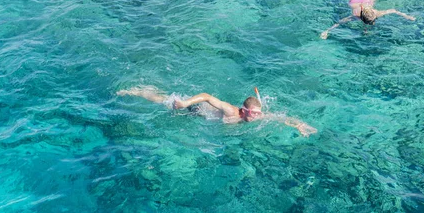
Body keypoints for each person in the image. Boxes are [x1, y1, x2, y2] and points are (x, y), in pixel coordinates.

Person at [117, 86, 317, 137]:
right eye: (254, 113)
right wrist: (185, 103)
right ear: (244, 110)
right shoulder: (231, 111)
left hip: (199, 118)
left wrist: (299, 125)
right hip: (195, 109)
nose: (257, 116)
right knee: (163, 100)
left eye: (259, 113)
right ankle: (135, 91)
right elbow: (205, 95)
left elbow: (281, 118)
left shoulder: (257, 117)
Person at [320, 0, 415, 39]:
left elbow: (339, 23)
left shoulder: (356, 17)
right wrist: (406, 16)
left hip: (360, 3)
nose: (373, 22)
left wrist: (327, 31)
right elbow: (393, 10)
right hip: (358, 3)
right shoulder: (375, 13)